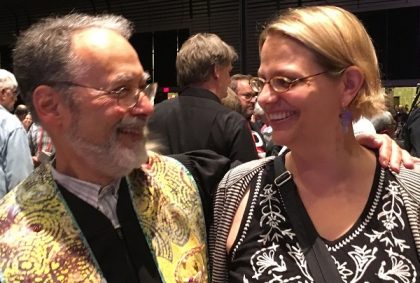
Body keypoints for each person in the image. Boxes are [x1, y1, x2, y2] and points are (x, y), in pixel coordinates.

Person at [0, 13, 231, 282]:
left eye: (143, 88)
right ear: (51, 105)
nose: (146, 107)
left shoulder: (185, 180)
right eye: (121, 90)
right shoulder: (10, 244)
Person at [210, 6, 420, 282]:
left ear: (348, 85)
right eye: (263, 81)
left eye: (285, 81)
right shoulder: (238, 189)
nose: (263, 100)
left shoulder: (409, 192)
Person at [147, 33, 258, 164]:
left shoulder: (152, 115)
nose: (229, 81)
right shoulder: (231, 122)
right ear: (216, 70)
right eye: (228, 72)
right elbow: (249, 181)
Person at [0, 69, 33, 198]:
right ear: (3, 93)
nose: (16, 98)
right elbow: (21, 184)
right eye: (14, 92)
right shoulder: (11, 125)